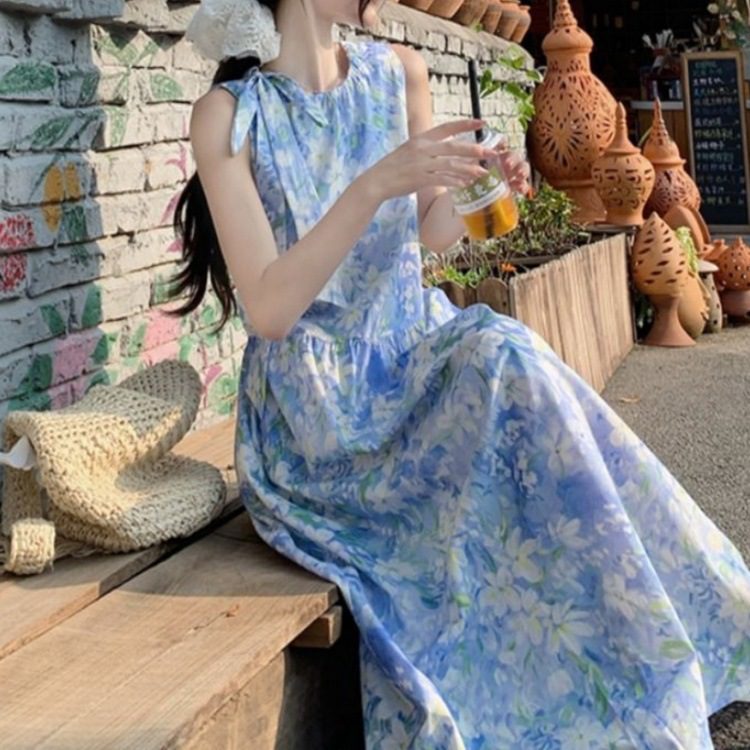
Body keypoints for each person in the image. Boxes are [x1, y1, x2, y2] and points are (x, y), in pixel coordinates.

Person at [171, 0, 750, 746]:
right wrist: (373, 184)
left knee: (503, 352)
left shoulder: (399, 72)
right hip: (319, 417)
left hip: (412, 351)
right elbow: (271, 310)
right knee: (497, 358)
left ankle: (670, 641)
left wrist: (494, 187)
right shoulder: (227, 115)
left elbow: (432, 233)